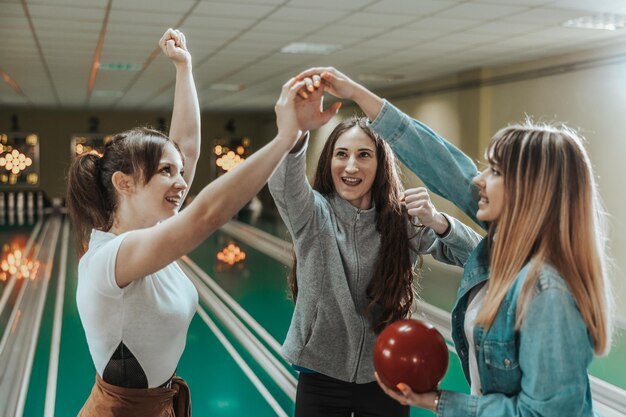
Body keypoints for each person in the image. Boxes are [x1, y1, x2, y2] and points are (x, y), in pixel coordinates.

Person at [296, 67, 613, 417]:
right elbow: (445, 165)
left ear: (529, 192)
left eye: (494, 171)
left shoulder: (547, 292)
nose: (478, 179)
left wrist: (439, 402)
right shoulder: (508, 253)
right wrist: (357, 93)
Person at [66, 28, 315, 417]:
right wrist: (284, 139)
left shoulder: (150, 232)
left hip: (159, 405)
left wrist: (184, 68)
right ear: (124, 182)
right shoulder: (108, 259)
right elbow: (207, 216)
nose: (182, 182)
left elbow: (188, 147)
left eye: (179, 172)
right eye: (166, 172)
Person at [267, 83, 482, 417]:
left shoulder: (402, 221)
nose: (351, 166)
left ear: (381, 163)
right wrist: (295, 131)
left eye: (363, 155)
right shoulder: (312, 214)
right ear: (330, 161)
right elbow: (283, 183)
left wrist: (437, 220)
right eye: (342, 154)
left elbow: (479, 256)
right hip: (320, 374)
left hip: (387, 374)